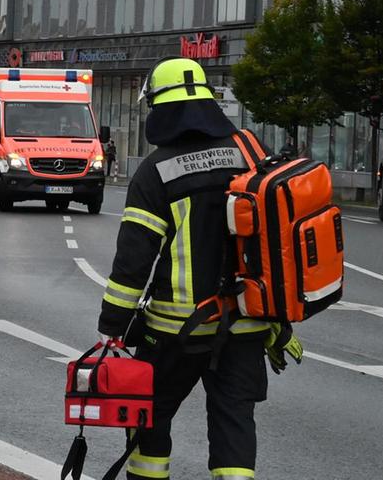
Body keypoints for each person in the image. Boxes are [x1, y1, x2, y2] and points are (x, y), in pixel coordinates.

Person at [95, 57, 295, 480]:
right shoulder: (252, 152)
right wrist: (280, 319)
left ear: (160, 109)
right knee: (234, 423)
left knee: (150, 419)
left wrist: (113, 324)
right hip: (246, 325)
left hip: (175, 333)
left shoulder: (155, 173)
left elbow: (133, 262)